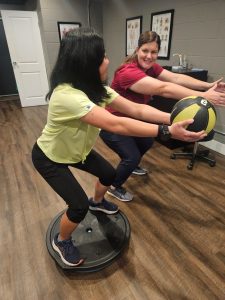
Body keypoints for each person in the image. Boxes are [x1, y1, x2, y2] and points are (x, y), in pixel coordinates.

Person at [31, 27, 206, 267]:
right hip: (50, 157)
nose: (108, 60)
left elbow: (137, 110)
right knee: (78, 207)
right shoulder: (67, 96)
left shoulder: (97, 89)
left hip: (77, 152)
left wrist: (173, 119)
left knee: (109, 174)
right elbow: (117, 123)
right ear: (87, 62)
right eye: (102, 56)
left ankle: (99, 202)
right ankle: (62, 241)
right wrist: (166, 131)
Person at [100, 30, 225, 202]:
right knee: (131, 156)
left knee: (147, 141)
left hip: (134, 119)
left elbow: (175, 78)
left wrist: (208, 85)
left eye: (154, 52)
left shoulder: (151, 68)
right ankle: (114, 186)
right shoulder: (127, 72)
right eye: (145, 51)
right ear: (137, 50)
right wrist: (203, 97)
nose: (149, 56)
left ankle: (131, 166)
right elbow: (163, 89)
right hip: (114, 123)